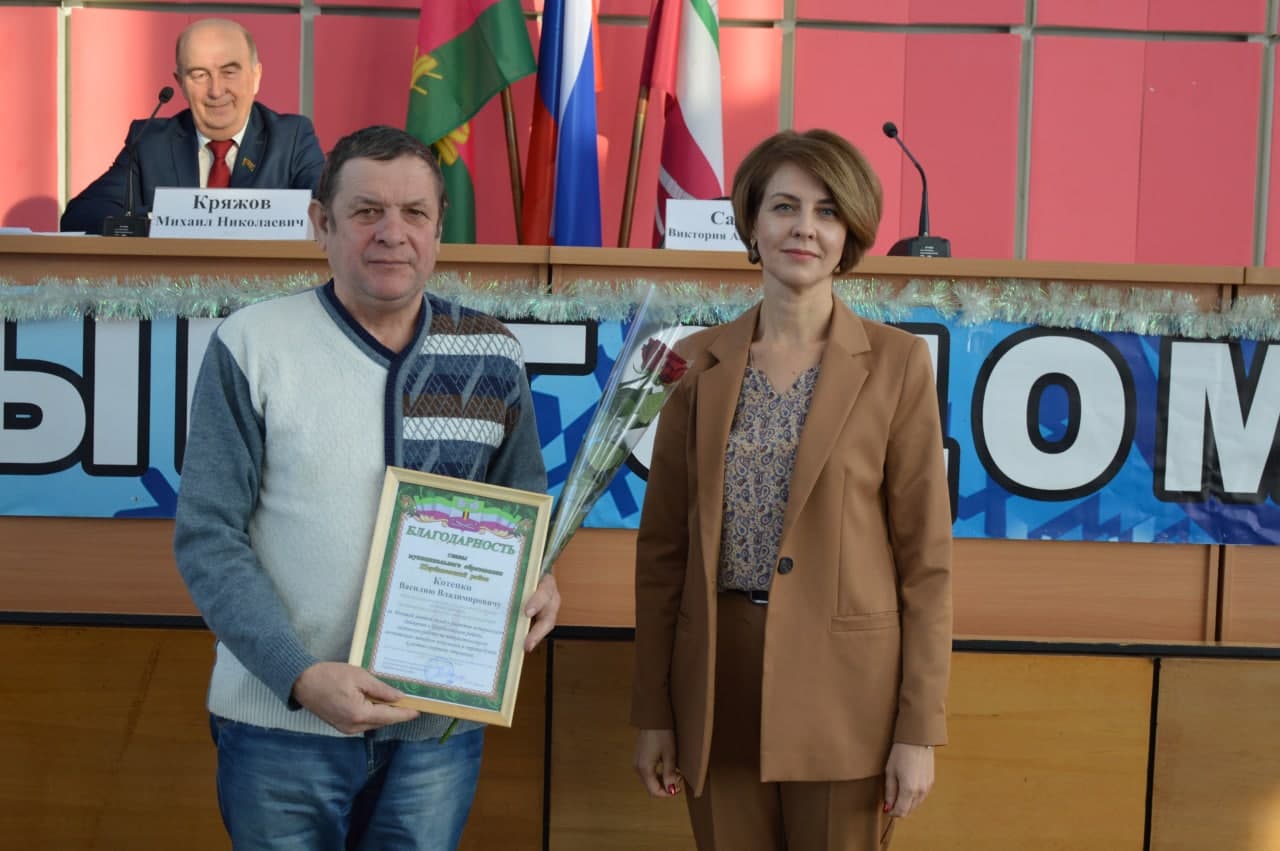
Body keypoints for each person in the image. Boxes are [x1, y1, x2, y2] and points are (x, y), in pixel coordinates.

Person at [173, 124, 559, 850]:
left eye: (414, 213)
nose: (392, 233)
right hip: (282, 725)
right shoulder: (252, 343)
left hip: (434, 731)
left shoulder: (493, 353)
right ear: (321, 223)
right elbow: (207, 536)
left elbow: (522, 510)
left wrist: (538, 580)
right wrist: (299, 675)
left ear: (439, 229)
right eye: (366, 212)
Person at [631, 128, 953, 851]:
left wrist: (918, 728)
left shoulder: (897, 364)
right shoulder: (693, 363)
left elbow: (927, 565)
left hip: (848, 698)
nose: (804, 227)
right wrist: (653, 710)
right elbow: (662, 555)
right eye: (784, 206)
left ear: (850, 235)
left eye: (827, 211)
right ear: (751, 223)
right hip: (717, 685)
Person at [60, 18, 325, 233]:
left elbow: (328, 213)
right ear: (181, 84)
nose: (216, 90)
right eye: (199, 75)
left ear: (256, 77)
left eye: (229, 72)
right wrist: (165, 220)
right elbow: (81, 216)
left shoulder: (291, 138)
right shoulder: (150, 142)